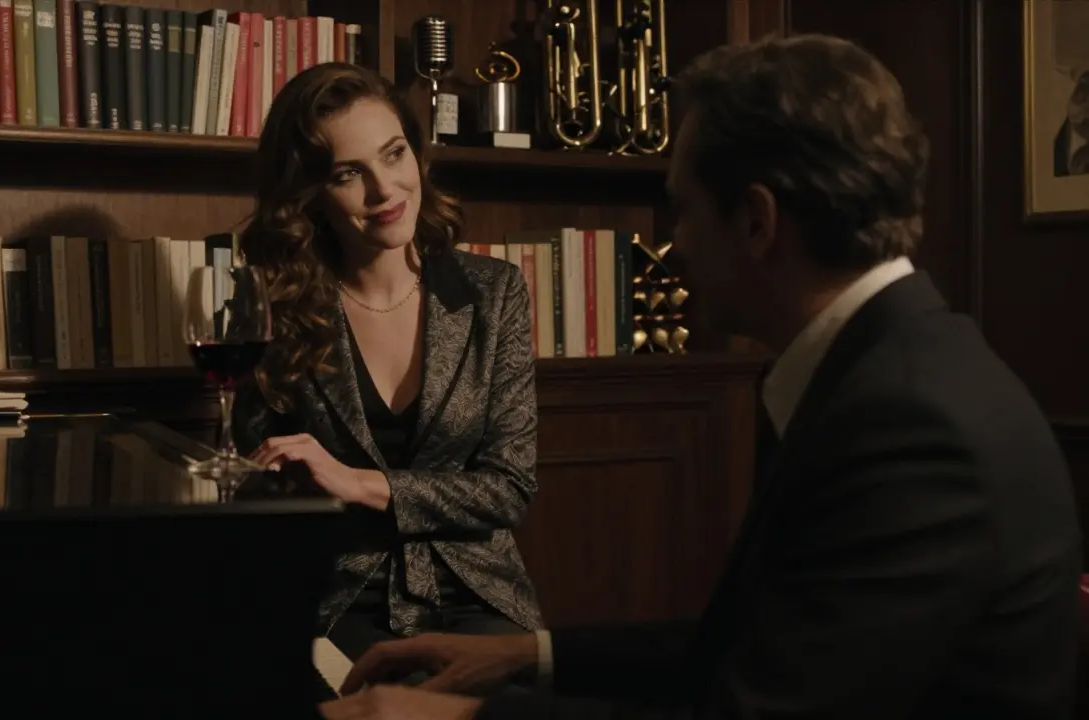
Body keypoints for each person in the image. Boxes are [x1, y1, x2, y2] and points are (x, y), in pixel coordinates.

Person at [320, 33, 1083, 719]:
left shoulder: (912, 428)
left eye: (682, 212)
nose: (674, 248)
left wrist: (459, 719)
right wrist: (527, 656)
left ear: (756, 222)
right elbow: (756, 642)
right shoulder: (884, 370)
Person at [232, 62, 543, 668]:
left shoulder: (494, 292)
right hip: (337, 601)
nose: (384, 191)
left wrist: (360, 484)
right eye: (349, 173)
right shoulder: (275, 309)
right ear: (311, 195)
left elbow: (509, 489)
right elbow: (256, 489)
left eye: (394, 154)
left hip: (478, 596)